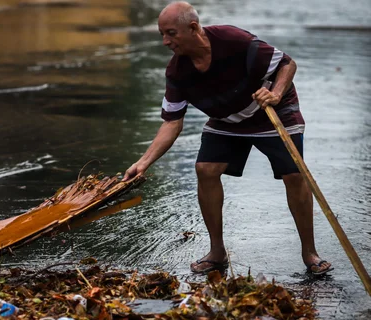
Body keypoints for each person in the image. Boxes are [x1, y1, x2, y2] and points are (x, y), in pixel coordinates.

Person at [121, 1, 333, 275]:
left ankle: (310, 253)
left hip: (272, 111)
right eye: (162, 34)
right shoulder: (177, 72)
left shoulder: (234, 40)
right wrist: (144, 162)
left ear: (193, 28)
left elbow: (287, 64)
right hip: (227, 120)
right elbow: (172, 123)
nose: (165, 41)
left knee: (294, 175)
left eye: (171, 33)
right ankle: (217, 252)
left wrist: (276, 93)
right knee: (205, 169)